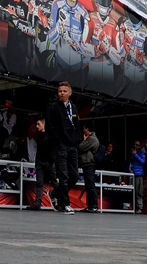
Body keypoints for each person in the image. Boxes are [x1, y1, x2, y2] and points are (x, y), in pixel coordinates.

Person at [45, 81, 80, 214]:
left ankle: (55, 193)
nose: (62, 93)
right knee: (63, 176)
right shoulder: (54, 107)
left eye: (64, 91)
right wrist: (58, 142)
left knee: (74, 175)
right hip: (61, 146)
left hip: (73, 145)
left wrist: (77, 140)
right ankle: (65, 204)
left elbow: (77, 125)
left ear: (70, 93)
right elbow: (50, 127)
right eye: (60, 91)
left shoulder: (73, 107)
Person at [26, 116, 59, 211]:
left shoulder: (51, 136)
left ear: (44, 124)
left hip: (49, 162)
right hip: (40, 162)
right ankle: (37, 203)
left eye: (38, 124)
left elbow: (54, 149)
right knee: (39, 183)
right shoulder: (39, 136)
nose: (37, 126)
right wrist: (37, 163)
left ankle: (60, 201)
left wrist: (52, 160)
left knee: (55, 183)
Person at [78, 122, 100, 213]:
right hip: (86, 164)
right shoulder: (90, 139)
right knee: (88, 185)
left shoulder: (92, 139)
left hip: (89, 164)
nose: (83, 130)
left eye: (84, 128)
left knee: (90, 185)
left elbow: (80, 147)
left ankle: (94, 205)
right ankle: (90, 205)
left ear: (87, 129)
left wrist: (84, 140)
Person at [130, 140, 146, 214]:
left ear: (139, 146)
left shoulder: (141, 153)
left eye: (137, 145)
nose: (135, 146)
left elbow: (142, 161)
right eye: (134, 144)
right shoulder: (130, 153)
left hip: (138, 174)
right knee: (131, 191)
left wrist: (135, 154)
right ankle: (131, 207)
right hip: (130, 174)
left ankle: (139, 207)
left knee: (138, 192)